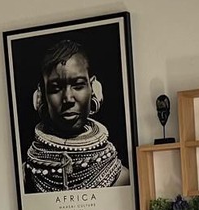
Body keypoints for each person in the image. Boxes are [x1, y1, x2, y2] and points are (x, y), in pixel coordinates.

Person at [22, 39, 130, 194]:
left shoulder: (122, 179)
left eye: (78, 85)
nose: (68, 98)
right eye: (55, 88)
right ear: (40, 95)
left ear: (93, 88)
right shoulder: (26, 177)